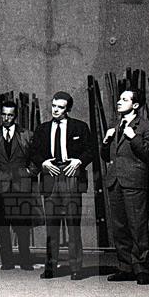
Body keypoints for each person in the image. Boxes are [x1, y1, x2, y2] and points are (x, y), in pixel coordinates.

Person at [30, 91, 94, 280]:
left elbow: (91, 150)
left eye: (60, 107)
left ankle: (76, 268)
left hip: (71, 175)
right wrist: (43, 163)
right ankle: (50, 267)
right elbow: (33, 152)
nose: (56, 110)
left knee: (73, 224)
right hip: (50, 176)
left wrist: (79, 161)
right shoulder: (42, 129)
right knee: (52, 226)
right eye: (54, 106)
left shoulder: (80, 127)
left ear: (68, 109)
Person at [101, 89, 149, 285]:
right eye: (119, 98)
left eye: (124, 99)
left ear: (135, 105)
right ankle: (125, 266)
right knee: (119, 227)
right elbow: (107, 156)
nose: (119, 102)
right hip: (115, 181)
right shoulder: (114, 125)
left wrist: (134, 137)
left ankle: (141, 267)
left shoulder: (147, 126)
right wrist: (105, 142)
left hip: (134, 182)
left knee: (137, 226)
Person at [0, 101, 40, 270]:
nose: (6, 118)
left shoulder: (27, 135)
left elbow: (37, 157)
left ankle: (25, 261)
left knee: (22, 225)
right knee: (3, 226)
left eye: (10, 115)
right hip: (0, 188)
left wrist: (29, 172)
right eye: (4, 114)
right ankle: (7, 262)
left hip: (21, 187)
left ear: (15, 116)